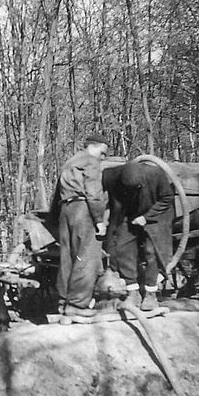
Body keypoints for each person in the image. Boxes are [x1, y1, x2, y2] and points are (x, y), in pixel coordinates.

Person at [102, 160, 174, 311]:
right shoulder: (111, 175)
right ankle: (133, 291)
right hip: (128, 213)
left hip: (156, 213)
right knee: (122, 245)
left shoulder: (156, 174)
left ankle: (150, 294)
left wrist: (146, 218)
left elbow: (167, 198)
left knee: (151, 250)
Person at [54, 134, 109, 318]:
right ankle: (77, 305)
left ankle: (63, 303)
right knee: (87, 257)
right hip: (83, 209)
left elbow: (56, 194)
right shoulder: (91, 162)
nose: (103, 157)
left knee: (67, 258)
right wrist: (100, 220)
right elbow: (94, 193)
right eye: (103, 152)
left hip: (65, 210)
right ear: (95, 146)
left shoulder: (70, 161)